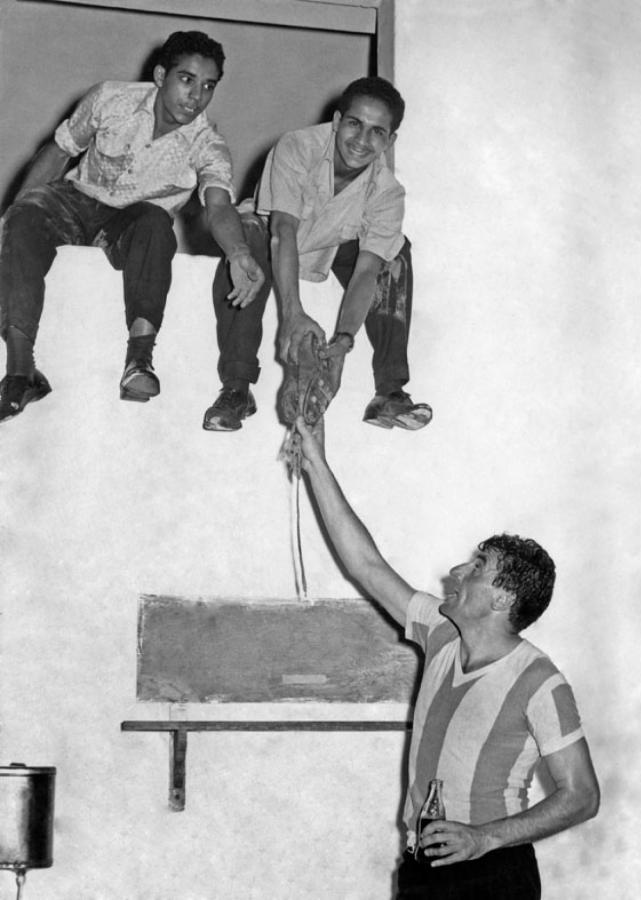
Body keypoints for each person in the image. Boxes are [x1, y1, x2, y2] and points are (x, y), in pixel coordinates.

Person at [294, 417, 600, 900]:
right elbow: (366, 566)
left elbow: (581, 795)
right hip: (422, 868)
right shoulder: (441, 634)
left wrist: (485, 838)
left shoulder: (541, 681)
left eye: (478, 567)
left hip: (493, 873)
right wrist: (316, 463)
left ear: (503, 600)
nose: (456, 572)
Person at [0, 30, 265, 423]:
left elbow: (219, 205)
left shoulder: (208, 144)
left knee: (157, 221)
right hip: (75, 201)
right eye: (187, 80)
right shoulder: (110, 98)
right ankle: (20, 372)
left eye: (208, 86)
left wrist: (240, 252)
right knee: (24, 213)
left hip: (132, 225)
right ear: (160, 76)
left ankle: (139, 362)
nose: (196, 97)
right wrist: (8, 219)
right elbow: (58, 152)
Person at [202, 76, 432, 433]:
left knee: (397, 253)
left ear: (390, 141)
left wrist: (343, 341)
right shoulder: (297, 146)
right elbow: (282, 232)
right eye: (355, 124)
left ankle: (390, 390)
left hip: (329, 249)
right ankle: (236, 388)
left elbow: (367, 271)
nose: (362, 140)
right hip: (272, 237)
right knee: (247, 240)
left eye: (377, 132)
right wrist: (293, 314)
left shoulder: (388, 192)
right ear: (338, 121)